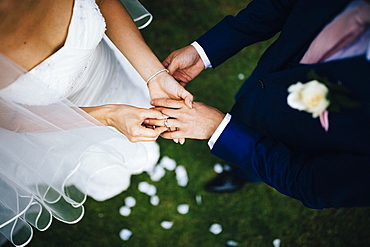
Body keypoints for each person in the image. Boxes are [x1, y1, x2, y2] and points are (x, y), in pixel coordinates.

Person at [0, 0, 192, 245]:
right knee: (100, 164)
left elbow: (102, 1)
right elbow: (10, 116)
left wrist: (154, 76)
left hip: (107, 71)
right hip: (62, 124)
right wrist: (107, 116)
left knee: (134, 112)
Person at [147, 0, 370, 209]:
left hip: (296, 140)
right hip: (262, 85)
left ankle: (242, 175)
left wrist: (219, 130)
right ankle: (237, 158)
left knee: (255, 160)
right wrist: (203, 52)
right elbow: (281, 4)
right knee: (245, 110)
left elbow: (311, 183)